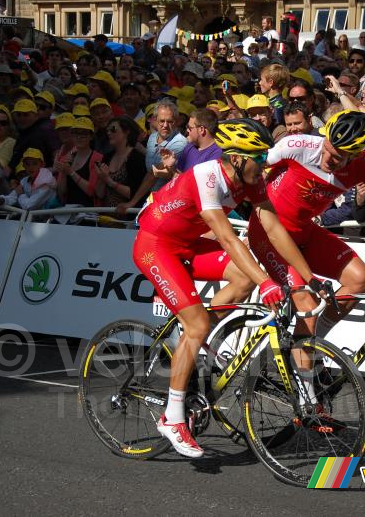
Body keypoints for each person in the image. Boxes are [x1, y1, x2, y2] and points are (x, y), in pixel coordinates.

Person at [134, 119, 319, 458]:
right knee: (202, 320)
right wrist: (267, 284)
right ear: (236, 158)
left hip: (189, 245)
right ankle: (172, 418)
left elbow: (274, 227)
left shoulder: (251, 179)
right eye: (258, 158)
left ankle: (198, 338)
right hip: (156, 244)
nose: (265, 164)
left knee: (243, 278)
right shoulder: (207, 176)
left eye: (265, 157)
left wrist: (306, 276)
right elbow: (227, 237)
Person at [249, 111, 365, 343]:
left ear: (357, 154)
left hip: (303, 231)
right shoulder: (296, 145)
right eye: (328, 149)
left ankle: (311, 345)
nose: (328, 159)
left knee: (359, 279)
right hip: (268, 234)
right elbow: (245, 168)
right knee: (309, 306)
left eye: (339, 157)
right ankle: (305, 368)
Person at [96, 116, 146, 207]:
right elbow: (99, 194)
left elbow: (135, 193)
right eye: (107, 130)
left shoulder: (137, 158)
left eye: (113, 129)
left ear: (126, 132)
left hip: (128, 217)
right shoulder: (107, 157)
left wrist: (110, 181)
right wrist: (102, 178)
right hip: (106, 217)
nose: (109, 133)